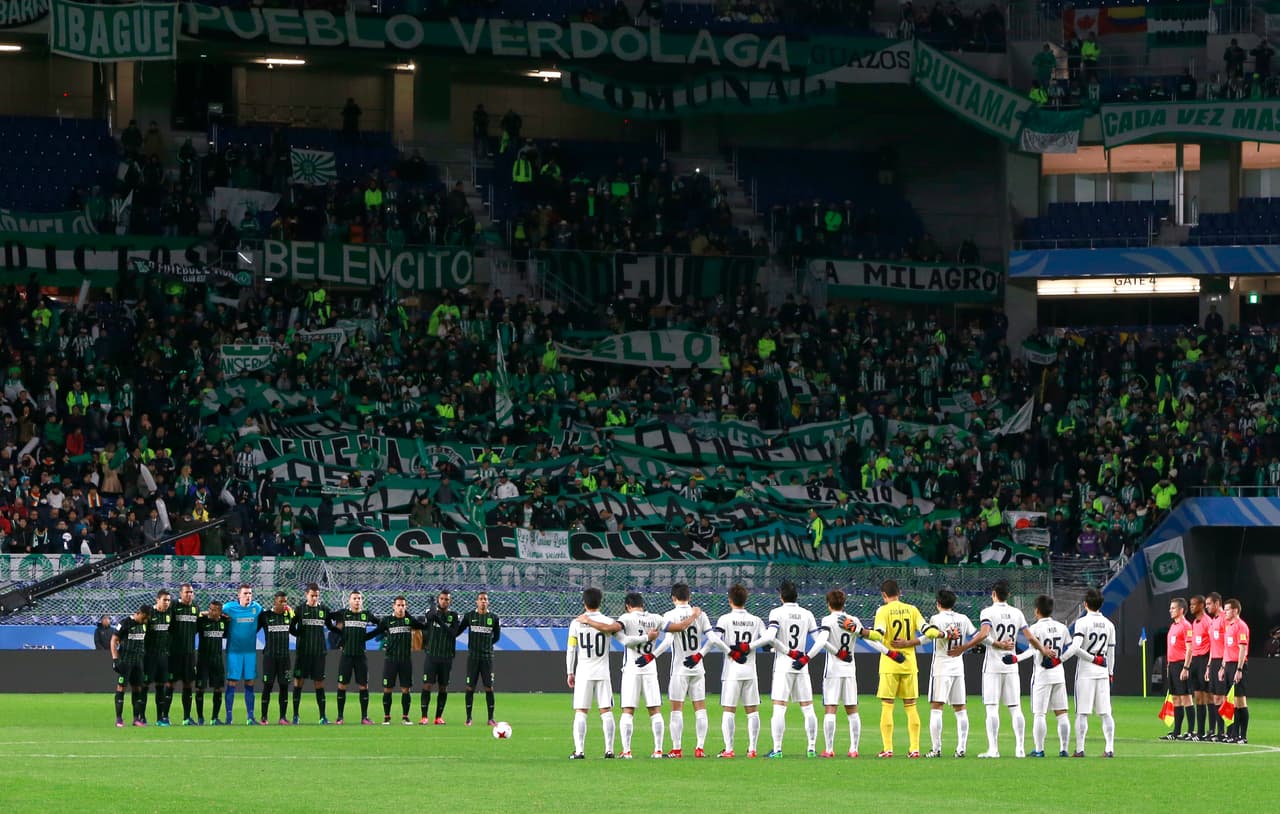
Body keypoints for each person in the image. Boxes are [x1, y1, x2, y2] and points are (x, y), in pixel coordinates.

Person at [952, 579, 1052, 758]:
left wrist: (964, 647)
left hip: (993, 665)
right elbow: (1030, 637)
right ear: (1009, 595)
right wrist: (1043, 649)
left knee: (992, 708)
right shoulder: (1017, 613)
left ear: (993, 594)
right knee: (1015, 707)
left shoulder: (988, 612)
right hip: (1011, 665)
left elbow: (983, 634)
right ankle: (1020, 749)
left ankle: (993, 749)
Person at [579, 592, 666, 758]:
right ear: (642, 604)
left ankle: (626, 751)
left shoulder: (626, 618)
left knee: (628, 711)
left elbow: (615, 632)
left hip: (632, 669)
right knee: (655, 710)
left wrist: (588, 620)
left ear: (627, 605)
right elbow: (673, 631)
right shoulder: (656, 618)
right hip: (650, 668)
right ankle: (658, 750)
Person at [696, 583, 776, 758]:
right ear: (746, 599)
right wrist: (749, 646)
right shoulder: (756, 620)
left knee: (729, 710)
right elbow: (769, 638)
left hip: (732, 671)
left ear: (730, 600)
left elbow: (715, 640)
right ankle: (752, 749)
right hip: (750, 671)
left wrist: (729, 651)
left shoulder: (725, 619)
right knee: (752, 711)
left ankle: (729, 749)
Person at [817, 589, 890, 757]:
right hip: (850, 670)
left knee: (830, 709)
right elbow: (870, 640)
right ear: (844, 603)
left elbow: (822, 641)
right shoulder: (854, 620)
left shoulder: (827, 620)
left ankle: (829, 749)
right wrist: (888, 652)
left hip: (833, 670)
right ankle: (854, 749)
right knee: (852, 710)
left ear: (828, 604)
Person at [648, 582, 712, 757]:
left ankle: (677, 748)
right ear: (689, 597)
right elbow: (712, 639)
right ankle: (700, 748)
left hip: (679, 669)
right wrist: (700, 655)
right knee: (700, 708)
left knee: (676, 710)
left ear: (673, 598)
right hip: (698, 667)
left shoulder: (669, 615)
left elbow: (668, 642)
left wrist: (652, 655)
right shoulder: (700, 614)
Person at [764, 580, 824, 758]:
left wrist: (788, 652)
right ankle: (811, 748)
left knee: (779, 707)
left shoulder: (776, 612)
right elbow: (820, 640)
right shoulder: (807, 614)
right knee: (808, 708)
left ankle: (777, 749)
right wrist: (806, 657)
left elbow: (771, 638)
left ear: (781, 596)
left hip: (784, 664)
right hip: (802, 665)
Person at [915, 589, 976, 758]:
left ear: (938, 603)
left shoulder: (936, 618)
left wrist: (909, 643)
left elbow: (928, 637)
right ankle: (961, 748)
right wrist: (965, 647)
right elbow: (977, 636)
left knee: (936, 707)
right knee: (960, 708)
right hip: (958, 667)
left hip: (941, 667)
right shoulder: (963, 618)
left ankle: (936, 749)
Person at [870, 579, 927, 758]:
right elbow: (927, 631)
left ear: (884, 595)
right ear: (899, 592)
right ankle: (915, 748)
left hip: (889, 663)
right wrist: (910, 642)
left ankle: (888, 749)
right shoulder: (912, 609)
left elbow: (877, 636)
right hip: (909, 663)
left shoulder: (882, 610)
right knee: (911, 706)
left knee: (887, 706)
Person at [1014, 595, 1074, 757]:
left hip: (1042, 675)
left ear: (1036, 611)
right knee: (1062, 713)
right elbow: (1070, 647)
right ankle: (1064, 749)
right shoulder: (1062, 628)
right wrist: (1060, 659)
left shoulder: (1034, 629)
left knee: (1040, 713)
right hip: (1059, 674)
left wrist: (1016, 658)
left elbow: (1032, 650)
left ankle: (1039, 749)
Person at [566, 587, 621, 759]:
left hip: (584, 672)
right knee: (606, 710)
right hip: (603, 671)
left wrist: (569, 671)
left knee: (581, 711)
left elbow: (571, 650)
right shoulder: (607, 622)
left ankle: (580, 751)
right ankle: (609, 750)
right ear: (600, 602)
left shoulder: (576, 623)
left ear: (584, 602)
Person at [1070, 588, 1116, 757]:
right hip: (1103, 669)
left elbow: (1076, 648)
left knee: (1082, 712)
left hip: (1086, 670)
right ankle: (1109, 748)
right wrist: (1110, 671)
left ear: (1085, 604)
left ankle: (1080, 749)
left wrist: (1090, 658)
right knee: (1105, 712)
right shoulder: (1109, 624)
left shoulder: (1082, 623)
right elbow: (1111, 651)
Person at [374, 596, 427, 725]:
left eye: (403, 605)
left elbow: (422, 626)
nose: (401, 608)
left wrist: (407, 615)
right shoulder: (387, 620)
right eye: (398, 605)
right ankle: (386, 717)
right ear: (394, 606)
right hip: (390, 660)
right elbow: (376, 633)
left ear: (406, 607)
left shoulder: (409, 620)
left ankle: (405, 717)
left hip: (405, 660)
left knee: (406, 689)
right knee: (388, 689)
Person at [289, 583, 335, 724]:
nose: (314, 598)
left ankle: (322, 716)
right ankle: (295, 716)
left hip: (319, 653)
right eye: (312, 595)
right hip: (303, 653)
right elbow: (291, 628)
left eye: (316, 596)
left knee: (319, 683)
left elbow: (330, 626)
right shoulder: (300, 609)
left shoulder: (324, 610)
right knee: (298, 682)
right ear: (306, 595)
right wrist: (300, 634)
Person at [332, 590, 380, 725]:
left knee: (363, 686)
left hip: (360, 656)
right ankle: (340, 717)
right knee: (342, 686)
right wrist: (339, 634)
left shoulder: (366, 615)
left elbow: (381, 625)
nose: (357, 600)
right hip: (346, 656)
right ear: (349, 600)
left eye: (359, 598)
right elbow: (328, 618)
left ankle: (364, 717)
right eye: (354, 598)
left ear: (361, 601)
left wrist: (368, 637)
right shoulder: (343, 613)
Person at [223, 583, 263, 725]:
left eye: (250, 593)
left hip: (250, 652)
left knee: (250, 682)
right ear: (238, 595)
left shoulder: (256, 608)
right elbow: (215, 613)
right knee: (232, 682)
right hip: (234, 652)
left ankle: (250, 717)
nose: (248, 596)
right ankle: (229, 717)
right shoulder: (229, 608)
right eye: (245, 593)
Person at [421, 588, 462, 725]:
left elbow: (453, 633)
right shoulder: (431, 613)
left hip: (446, 657)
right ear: (439, 600)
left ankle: (438, 717)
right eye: (442, 599)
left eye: (447, 599)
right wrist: (432, 605)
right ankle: (424, 716)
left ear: (450, 601)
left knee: (443, 687)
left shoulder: (454, 616)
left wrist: (439, 621)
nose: (444, 601)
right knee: (427, 685)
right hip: (432, 656)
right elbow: (431, 616)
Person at [460, 592, 501, 727]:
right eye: (481, 599)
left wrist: (486, 646)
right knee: (470, 687)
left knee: (488, 687)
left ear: (488, 602)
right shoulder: (469, 616)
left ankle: (490, 718)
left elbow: (496, 637)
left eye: (485, 599)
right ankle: (468, 718)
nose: (483, 601)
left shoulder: (493, 618)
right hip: (473, 658)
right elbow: (458, 630)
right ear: (476, 602)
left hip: (487, 658)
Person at [257, 591, 294, 725]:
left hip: (285, 658)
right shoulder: (265, 616)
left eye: (285, 601)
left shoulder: (289, 616)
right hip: (270, 657)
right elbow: (253, 629)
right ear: (275, 601)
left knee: (284, 686)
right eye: (281, 601)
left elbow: (296, 629)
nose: (284, 604)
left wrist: (292, 613)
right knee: (268, 685)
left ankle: (282, 717)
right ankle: (263, 717)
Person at [111, 605, 151, 727]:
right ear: (138, 613)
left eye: (146, 619)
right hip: (125, 661)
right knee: (121, 687)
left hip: (138, 662)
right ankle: (119, 719)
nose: (145, 621)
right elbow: (113, 640)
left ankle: (136, 719)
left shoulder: (144, 624)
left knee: (137, 688)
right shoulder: (125, 623)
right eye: (144, 618)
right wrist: (115, 659)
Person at [1161, 597, 1194, 740]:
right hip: (1172, 665)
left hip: (1182, 664)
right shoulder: (1173, 626)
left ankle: (1191, 731)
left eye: (1173, 608)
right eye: (1170, 608)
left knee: (1186, 698)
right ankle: (1176, 732)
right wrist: (1169, 665)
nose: (1170, 610)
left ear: (1181, 610)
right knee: (1176, 698)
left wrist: (1186, 667)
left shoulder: (1186, 626)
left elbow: (1189, 648)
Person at [1219, 598, 1251, 742]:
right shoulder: (1228, 626)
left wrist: (1239, 669)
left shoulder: (1241, 626)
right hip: (1229, 665)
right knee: (1231, 701)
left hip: (1238, 665)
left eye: (1227, 610)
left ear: (1235, 610)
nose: (1225, 612)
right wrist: (1223, 666)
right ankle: (1233, 734)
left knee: (1240, 701)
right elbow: (1226, 649)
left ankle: (1242, 736)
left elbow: (1243, 649)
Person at [169, 583, 201, 726]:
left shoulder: (195, 608)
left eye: (191, 592)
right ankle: (164, 716)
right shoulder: (174, 606)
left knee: (188, 685)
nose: (189, 594)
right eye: (187, 592)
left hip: (189, 654)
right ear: (180, 593)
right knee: (170, 684)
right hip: (174, 653)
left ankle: (187, 717)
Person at [143, 588, 173, 726]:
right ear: (157, 600)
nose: (167, 602)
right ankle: (141, 717)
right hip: (149, 657)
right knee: (145, 686)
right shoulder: (150, 614)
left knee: (161, 687)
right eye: (164, 600)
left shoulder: (169, 614)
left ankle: (160, 718)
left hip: (164, 657)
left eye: (168, 600)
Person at [195, 601, 228, 725]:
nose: (211, 611)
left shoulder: (224, 623)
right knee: (200, 688)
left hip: (217, 661)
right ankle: (200, 718)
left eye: (215, 610)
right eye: (210, 609)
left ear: (220, 611)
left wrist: (226, 617)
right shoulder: (202, 621)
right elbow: (195, 616)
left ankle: (215, 718)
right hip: (203, 661)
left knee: (218, 688)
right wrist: (202, 613)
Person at [1188, 594, 1213, 739]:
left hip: (1204, 659)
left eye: (1194, 604)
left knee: (1208, 696)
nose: (1191, 607)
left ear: (1201, 605)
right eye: (1190, 604)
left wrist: (1209, 665)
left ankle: (1211, 730)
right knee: (1198, 696)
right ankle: (1200, 731)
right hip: (1196, 661)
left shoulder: (1207, 622)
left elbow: (1213, 644)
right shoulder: (1194, 623)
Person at [1204, 592, 1227, 740]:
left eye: (1209, 604)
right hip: (1214, 662)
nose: (1206, 607)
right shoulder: (1213, 621)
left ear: (1217, 603)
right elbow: (1213, 645)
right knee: (1215, 698)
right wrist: (1208, 666)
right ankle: (1218, 732)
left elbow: (1227, 645)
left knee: (1223, 697)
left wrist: (1223, 666)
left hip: (1223, 662)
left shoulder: (1225, 619)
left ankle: (1226, 731)